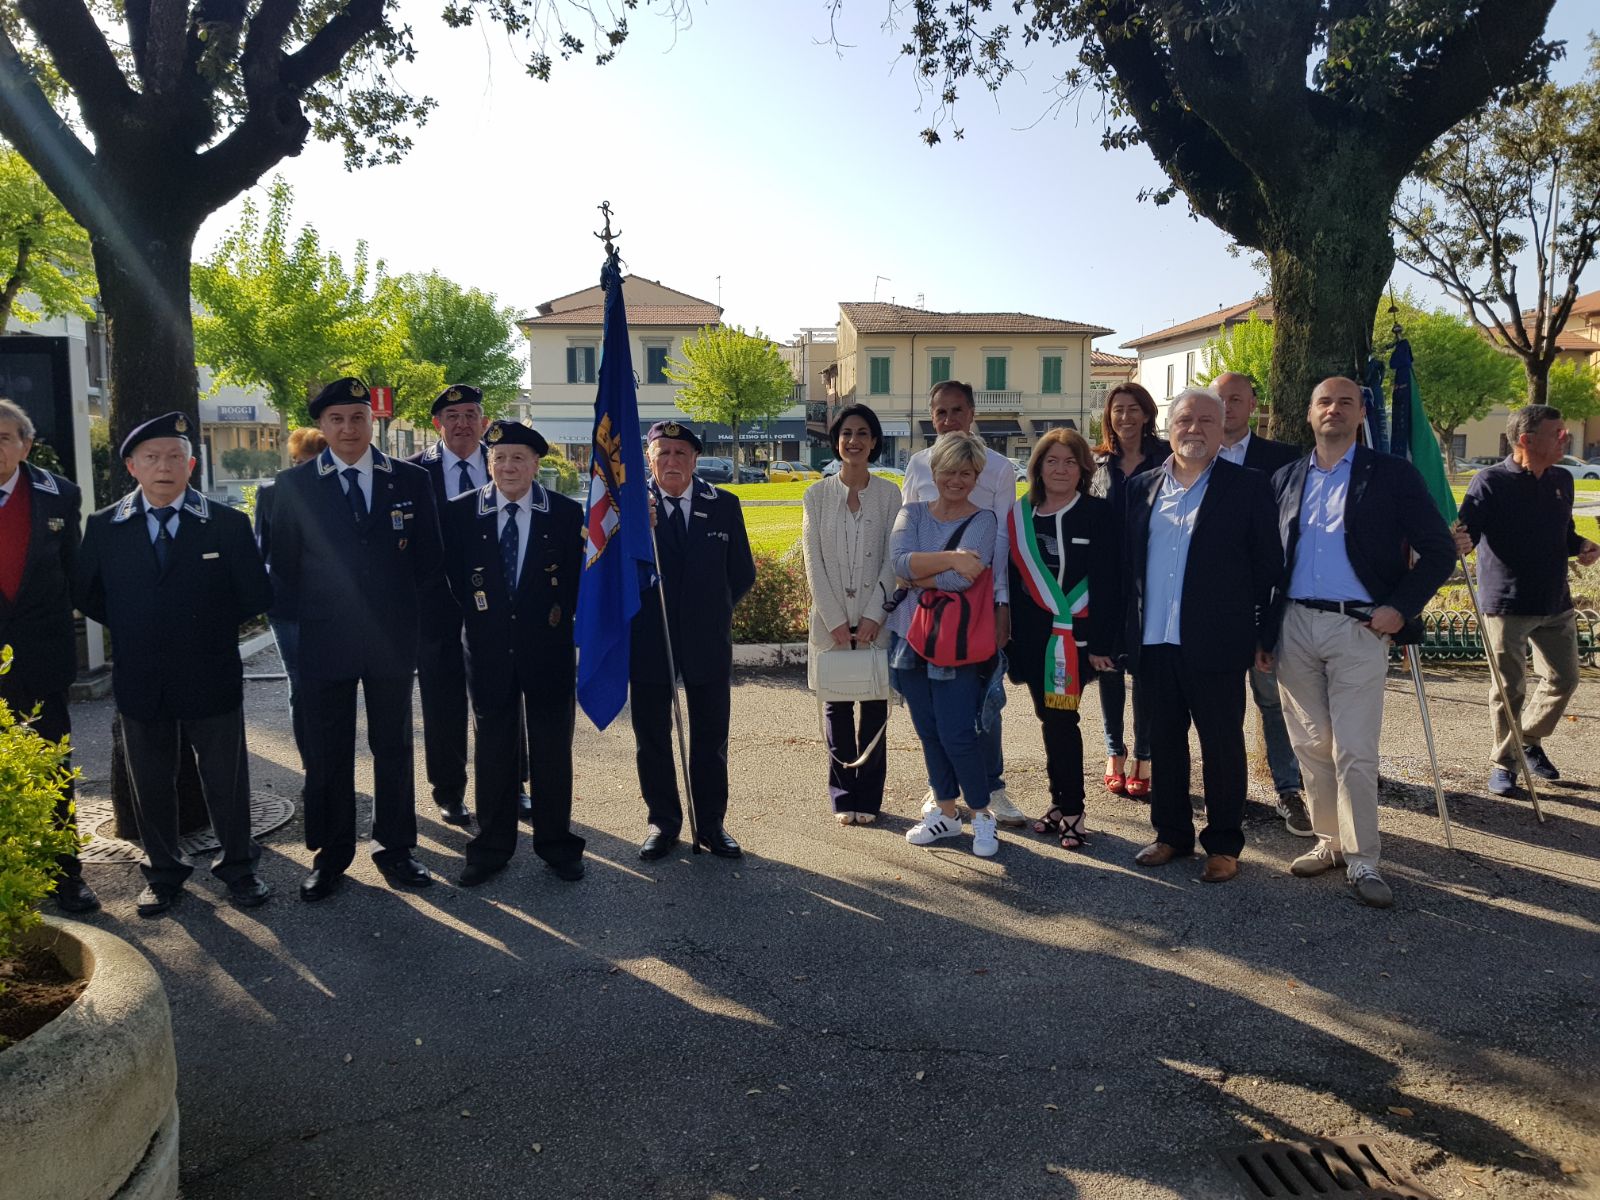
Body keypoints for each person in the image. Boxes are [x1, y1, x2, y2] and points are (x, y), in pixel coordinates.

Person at [75, 413, 275, 916]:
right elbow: (89, 594)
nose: (164, 466)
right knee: (150, 781)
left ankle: (238, 868)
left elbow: (254, 593)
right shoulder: (105, 527)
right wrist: (143, 625)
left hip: (210, 669)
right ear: (132, 466)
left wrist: (196, 627)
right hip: (143, 675)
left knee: (226, 780)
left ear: (191, 464)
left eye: (174, 457)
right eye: (151, 457)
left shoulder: (226, 523)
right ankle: (163, 872)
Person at [1271, 375, 1455, 909]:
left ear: (1359, 413)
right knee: (1310, 743)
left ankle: (1364, 859)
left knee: (1355, 748)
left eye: (1345, 402)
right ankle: (1330, 842)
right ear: (1309, 414)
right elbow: (1269, 560)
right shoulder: (1285, 478)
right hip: (1294, 626)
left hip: (1360, 628)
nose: (1333, 410)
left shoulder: (1393, 476)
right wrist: (1264, 631)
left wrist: (1400, 607)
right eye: (1324, 402)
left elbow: (1438, 550)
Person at [264, 377, 443, 902]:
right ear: (321, 426)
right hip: (324, 641)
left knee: (393, 745)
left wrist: (418, 627)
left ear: (373, 422)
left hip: (390, 638)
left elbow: (429, 562)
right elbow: (285, 569)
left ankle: (397, 847)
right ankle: (331, 852)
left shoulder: (409, 480)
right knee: (328, 749)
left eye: (358, 418)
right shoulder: (293, 487)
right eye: (337, 419)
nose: (348, 428)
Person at [1122, 389, 1281, 884]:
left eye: (1206, 420)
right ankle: (1171, 834)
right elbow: (1125, 569)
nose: (1195, 429)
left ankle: (1224, 844)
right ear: (1169, 427)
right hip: (1154, 641)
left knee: (1221, 747)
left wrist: (1265, 635)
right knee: (1163, 744)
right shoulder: (1141, 487)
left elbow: (1270, 568)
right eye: (1185, 420)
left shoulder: (1249, 487)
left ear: (1222, 426)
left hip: (1217, 643)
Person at [440, 420, 586, 885]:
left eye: (518, 458)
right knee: (493, 751)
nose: (508, 467)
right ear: (488, 464)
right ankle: (491, 847)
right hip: (486, 652)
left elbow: (579, 582)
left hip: (548, 650)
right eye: (499, 459)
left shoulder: (564, 514)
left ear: (535, 465)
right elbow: (452, 582)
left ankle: (557, 844)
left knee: (551, 750)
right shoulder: (461, 513)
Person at [900, 381, 1027, 829]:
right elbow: (908, 536)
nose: (949, 420)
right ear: (931, 416)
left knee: (982, 701)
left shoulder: (997, 467)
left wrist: (1002, 605)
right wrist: (921, 576)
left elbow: (1001, 538)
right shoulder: (917, 465)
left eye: (957, 411)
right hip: (923, 608)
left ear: (972, 413)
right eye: (941, 413)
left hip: (979, 601)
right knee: (934, 707)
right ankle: (943, 790)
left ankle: (992, 787)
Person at [1454, 404, 1599, 797]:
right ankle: (1504, 765)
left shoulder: (1562, 481)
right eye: (1558, 433)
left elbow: (1563, 533)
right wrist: (1459, 543)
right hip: (1507, 603)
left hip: (1555, 601)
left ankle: (1525, 742)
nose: (1564, 439)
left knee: (1565, 679)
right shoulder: (1489, 483)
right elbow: (1466, 534)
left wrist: (1581, 544)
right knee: (1509, 688)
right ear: (1526, 440)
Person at [631, 420, 756, 860]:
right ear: (649, 458)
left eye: (680, 453)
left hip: (706, 641)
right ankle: (662, 823)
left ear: (695, 459)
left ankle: (712, 825)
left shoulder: (722, 504)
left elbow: (741, 573)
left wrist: (710, 612)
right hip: (649, 639)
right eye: (662, 452)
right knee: (652, 738)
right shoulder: (629, 508)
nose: (671, 461)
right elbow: (612, 576)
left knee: (710, 739)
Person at [0, 398, 98, 913]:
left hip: (41, 657)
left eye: (3, 437)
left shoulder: (59, 494)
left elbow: (74, 573)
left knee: (50, 768)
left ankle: (66, 874)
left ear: (25, 444)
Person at [892, 432, 1004, 857]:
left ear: (976, 476)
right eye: (948, 472)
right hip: (909, 638)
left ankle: (981, 816)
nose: (956, 480)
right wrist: (952, 558)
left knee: (958, 734)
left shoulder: (984, 520)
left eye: (966, 473)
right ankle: (944, 814)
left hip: (955, 643)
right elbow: (897, 562)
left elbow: (963, 578)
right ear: (932, 473)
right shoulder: (913, 511)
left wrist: (920, 574)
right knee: (929, 732)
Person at [1006, 428, 1118, 850]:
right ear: (1037, 467)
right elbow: (1014, 582)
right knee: (1049, 719)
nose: (1060, 469)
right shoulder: (1021, 515)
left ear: (1083, 468)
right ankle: (1059, 803)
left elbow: (1109, 582)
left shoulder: (1098, 514)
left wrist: (1101, 642)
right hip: (1035, 641)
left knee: (1062, 721)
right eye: (1051, 460)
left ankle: (1072, 810)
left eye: (1070, 461)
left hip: (1079, 640)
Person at [1213, 371, 1309, 836]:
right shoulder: (1192, 458)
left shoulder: (1285, 460)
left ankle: (1289, 790)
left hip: (1269, 600)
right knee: (1222, 706)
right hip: (1214, 608)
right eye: (1219, 399)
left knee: (1273, 701)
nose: (1226, 407)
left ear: (1253, 404)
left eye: (1235, 399)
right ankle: (1229, 795)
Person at [801, 403, 902, 825]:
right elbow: (813, 560)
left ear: (874, 441)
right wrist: (835, 617)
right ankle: (844, 796)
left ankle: (869, 799)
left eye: (862, 433)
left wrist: (876, 613)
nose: (853, 441)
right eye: (846, 433)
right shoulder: (816, 495)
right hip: (832, 623)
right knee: (837, 709)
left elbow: (892, 559)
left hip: (877, 621)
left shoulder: (889, 494)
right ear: (835, 440)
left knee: (875, 708)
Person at [408, 385, 489, 826]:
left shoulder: (506, 462)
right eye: (452, 415)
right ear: (437, 424)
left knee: (500, 698)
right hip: (436, 607)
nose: (462, 423)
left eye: (471, 413)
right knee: (442, 703)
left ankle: (510, 783)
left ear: (484, 421)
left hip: (497, 604)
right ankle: (449, 790)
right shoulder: (413, 473)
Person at [1089, 381, 1169, 800]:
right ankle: (1113, 751)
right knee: (1109, 668)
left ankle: (1144, 753)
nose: (1125, 417)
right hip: (1107, 580)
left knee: (1146, 671)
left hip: (1154, 576)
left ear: (1146, 413)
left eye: (1133, 409)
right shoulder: (1099, 464)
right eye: (1118, 409)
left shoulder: (1167, 459)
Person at [254, 425, 327, 773]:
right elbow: (261, 548)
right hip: (286, 605)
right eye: (297, 461)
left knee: (329, 684)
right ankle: (312, 764)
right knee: (300, 684)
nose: (301, 469)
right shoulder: (271, 492)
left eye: (310, 462)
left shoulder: (337, 491)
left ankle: (331, 761)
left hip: (332, 605)